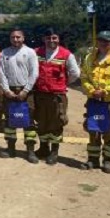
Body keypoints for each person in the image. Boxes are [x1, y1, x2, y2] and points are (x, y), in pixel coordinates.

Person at [80, 31, 110, 174]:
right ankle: (92, 159)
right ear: (97, 42)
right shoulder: (88, 58)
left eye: (107, 41)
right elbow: (84, 77)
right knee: (93, 129)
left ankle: (107, 160)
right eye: (100, 40)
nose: (103, 43)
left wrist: (104, 91)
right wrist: (92, 90)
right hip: (93, 100)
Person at [33, 28, 80, 165]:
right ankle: (43, 148)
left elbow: (75, 73)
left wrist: (64, 83)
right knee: (41, 122)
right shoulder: (36, 53)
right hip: (40, 94)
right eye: (48, 38)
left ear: (58, 39)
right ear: (44, 39)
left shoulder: (66, 54)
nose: (51, 41)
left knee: (56, 123)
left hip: (57, 96)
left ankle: (54, 152)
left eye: (54, 38)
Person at [0, 28, 39, 162]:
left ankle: (30, 151)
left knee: (29, 122)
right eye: (13, 37)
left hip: (26, 92)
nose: (15, 39)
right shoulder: (4, 52)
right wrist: (6, 90)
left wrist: (26, 90)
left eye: (18, 37)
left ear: (23, 38)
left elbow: (34, 73)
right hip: (9, 91)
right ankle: (10, 149)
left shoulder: (30, 52)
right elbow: (1, 73)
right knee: (10, 120)